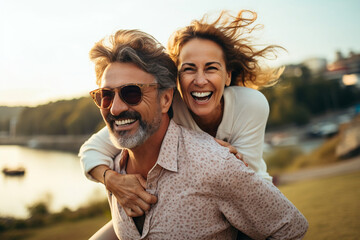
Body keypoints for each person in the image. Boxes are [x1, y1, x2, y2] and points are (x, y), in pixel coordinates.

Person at [86, 28, 308, 239]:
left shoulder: (247, 108)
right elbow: (92, 149)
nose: (115, 108)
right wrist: (111, 180)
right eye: (105, 95)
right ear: (178, 81)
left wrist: (219, 157)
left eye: (132, 92)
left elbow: (271, 211)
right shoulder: (171, 109)